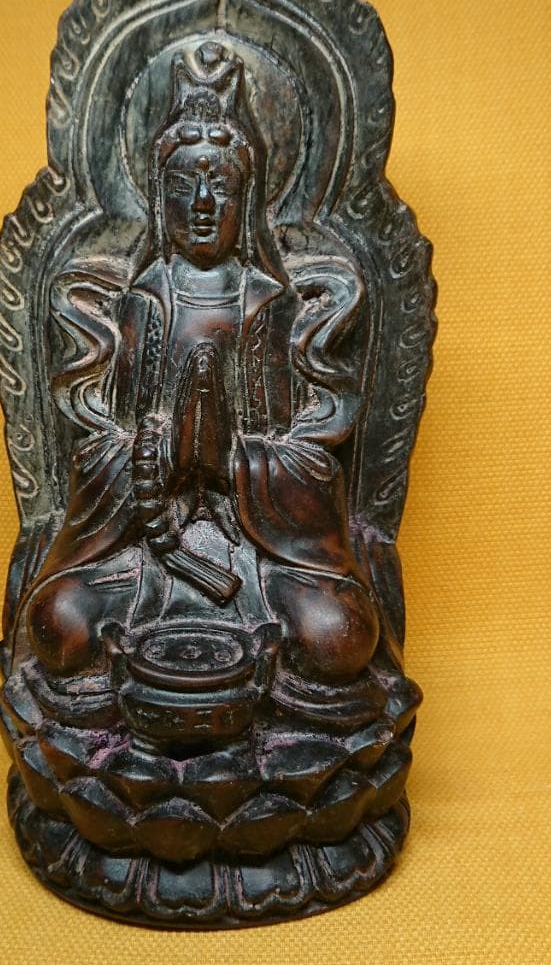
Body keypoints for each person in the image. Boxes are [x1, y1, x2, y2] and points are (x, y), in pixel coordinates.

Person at [24, 42, 379, 694]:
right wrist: (149, 460)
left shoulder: (268, 303)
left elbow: (307, 458)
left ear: (249, 197)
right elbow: (99, 450)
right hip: (146, 547)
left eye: (223, 185)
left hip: (256, 549)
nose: (205, 202)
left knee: (341, 636)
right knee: (59, 623)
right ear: (160, 198)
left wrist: (236, 460)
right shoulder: (142, 302)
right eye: (186, 185)